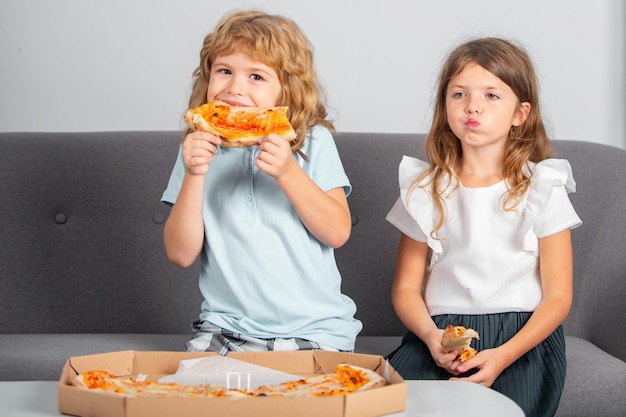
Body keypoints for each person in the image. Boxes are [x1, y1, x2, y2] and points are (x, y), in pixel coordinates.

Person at [385, 37, 581, 417]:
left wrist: (503, 355)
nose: (472, 106)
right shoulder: (424, 190)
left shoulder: (543, 187)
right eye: (459, 94)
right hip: (438, 335)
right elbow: (406, 287)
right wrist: (430, 336)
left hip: (521, 341)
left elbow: (558, 296)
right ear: (445, 105)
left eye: (491, 95)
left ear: (520, 113)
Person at [161, 9, 362, 354]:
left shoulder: (311, 142)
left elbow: (337, 232)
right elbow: (180, 254)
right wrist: (195, 174)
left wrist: (287, 171)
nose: (235, 88)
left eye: (256, 76)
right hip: (225, 328)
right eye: (224, 71)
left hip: (315, 328)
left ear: (286, 89)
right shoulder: (195, 149)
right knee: (199, 402)